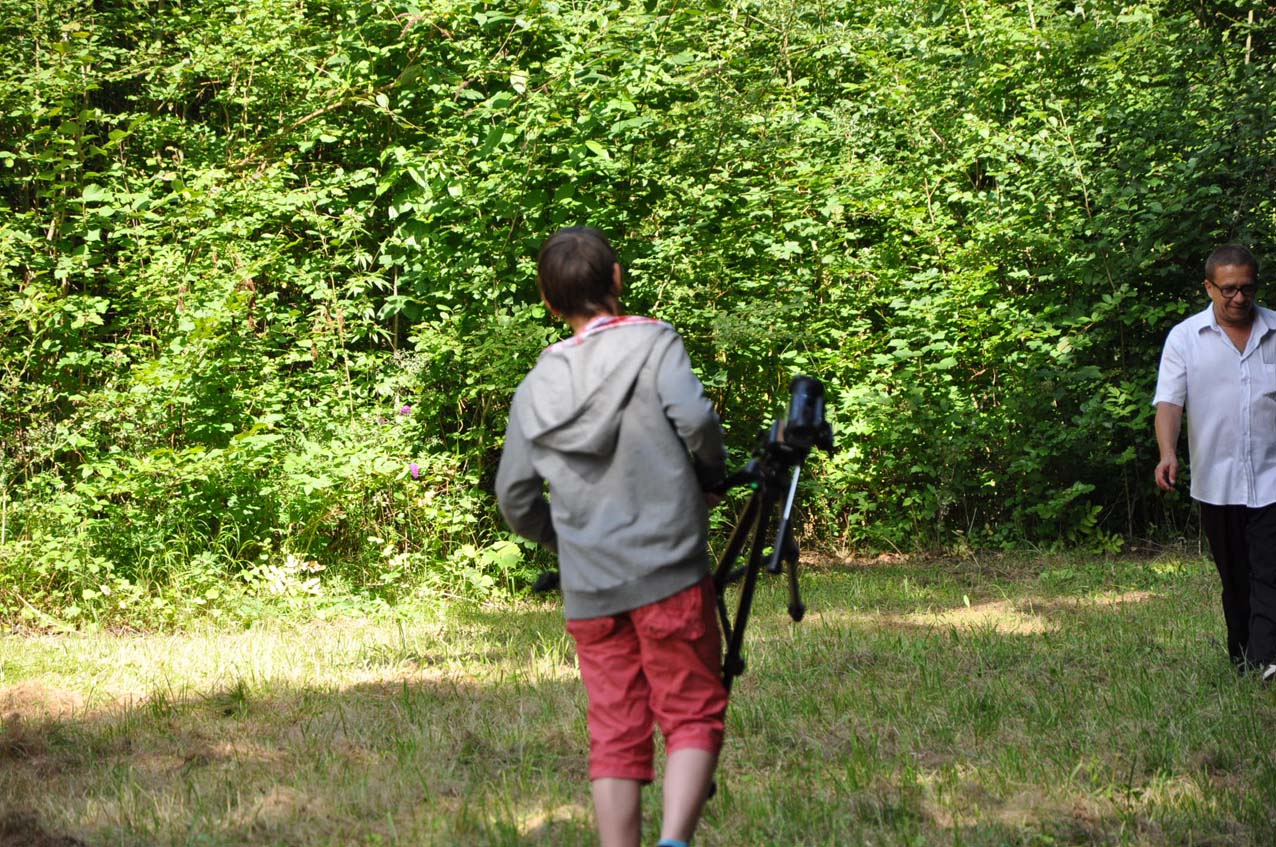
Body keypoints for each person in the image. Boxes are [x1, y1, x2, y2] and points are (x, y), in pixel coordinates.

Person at [495, 226, 729, 847]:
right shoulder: (654, 343)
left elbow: (514, 498)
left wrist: (568, 542)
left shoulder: (536, 385)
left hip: (591, 587)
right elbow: (697, 419)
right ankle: (674, 842)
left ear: (549, 301)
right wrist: (710, 476)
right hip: (669, 569)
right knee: (691, 710)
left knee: (616, 729)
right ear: (617, 278)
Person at [1154, 243, 1276, 680]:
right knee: (1235, 575)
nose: (1239, 298)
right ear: (1209, 287)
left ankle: (1266, 658)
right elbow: (1170, 403)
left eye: (1247, 288)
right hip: (1217, 480)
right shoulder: (1185, 338)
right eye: (1228, 289)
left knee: (1270, 570)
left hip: (1272, 477)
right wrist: (1168, 453)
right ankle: (1244, 658)